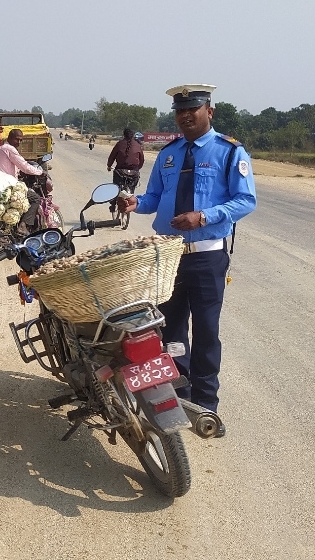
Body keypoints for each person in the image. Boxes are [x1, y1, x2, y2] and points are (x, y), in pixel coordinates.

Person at [120, 84, 257, 432]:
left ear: (208, 111)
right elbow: (154, 197)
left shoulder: (229, 151)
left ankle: (207, 405)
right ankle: (182, 394)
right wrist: (137, 203)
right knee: (172, 328)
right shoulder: (169, 153)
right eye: (179, 111)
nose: (184, 116)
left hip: (207, 257)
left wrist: (205, 216)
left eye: (191, 110)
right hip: (168, 257)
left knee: (208, 331)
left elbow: (245, 201)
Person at [107, 126, 146, 213]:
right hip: (134, 173)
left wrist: (109, 166)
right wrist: (137, 169)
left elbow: (112, 157)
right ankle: (131, 198)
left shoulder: (119, 144)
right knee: (132, 188)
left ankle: (113, 204)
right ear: (133, 135)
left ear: (124, 135)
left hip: (120, 172)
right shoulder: (138, 145)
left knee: (116, 187)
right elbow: (142, 160)